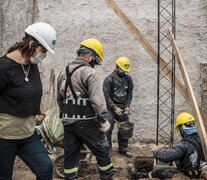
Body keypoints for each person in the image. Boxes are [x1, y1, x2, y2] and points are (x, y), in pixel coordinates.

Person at [0, 22, 56, 180]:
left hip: (28, 135)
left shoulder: (32, 65)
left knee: (45, 168)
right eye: (43, 50)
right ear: (32, 44)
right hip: (4, 138)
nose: (43, 55)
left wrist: (41, 108)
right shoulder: (4, 67)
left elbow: (34, 90)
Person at [57, 38, 114, 180]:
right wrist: (103, 120)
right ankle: (107, 177)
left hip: (68, 122)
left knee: (71, 157)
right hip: (87, 123)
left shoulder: (63, 72)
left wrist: (66, 114)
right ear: (90, 56)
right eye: (95, 60)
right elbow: (97, 100)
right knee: (102, 151)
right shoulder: (90, 73)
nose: (95, 64)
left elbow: (59, 99)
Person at [128, 112, 206, 179]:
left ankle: (138, 176)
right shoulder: (202, 140)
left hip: (187, 175)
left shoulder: (183, 145)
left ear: (182, 129)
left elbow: (168, 157)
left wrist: (156, 152)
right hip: (200, 173)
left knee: (161, 172)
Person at [103, 57, 133, 158]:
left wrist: (127, 106)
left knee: (125, 129)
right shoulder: (109, 80)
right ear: (116, 67)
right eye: (122, 70)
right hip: (111, 109)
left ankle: (123, 149)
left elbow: (129, 94)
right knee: (108, 129)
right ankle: (108, 151)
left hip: (123, 107)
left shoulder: (128, 79)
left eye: (125, 70)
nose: (124, 72)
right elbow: (106, 96)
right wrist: (114, 108)